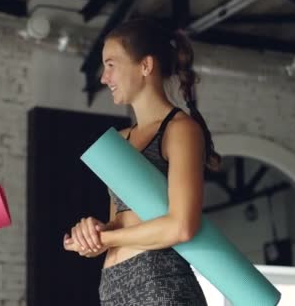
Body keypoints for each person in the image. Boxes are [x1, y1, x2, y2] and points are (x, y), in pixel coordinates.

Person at [63, 19, 221, 305]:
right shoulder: (120, 140)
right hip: (114, 289)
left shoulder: (179, 130)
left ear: (145, 66)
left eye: (111, 64)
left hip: (161, 286)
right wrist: (92, 235)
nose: (103, 77)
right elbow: (119, 223)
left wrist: (106, 240)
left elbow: (181, 227)